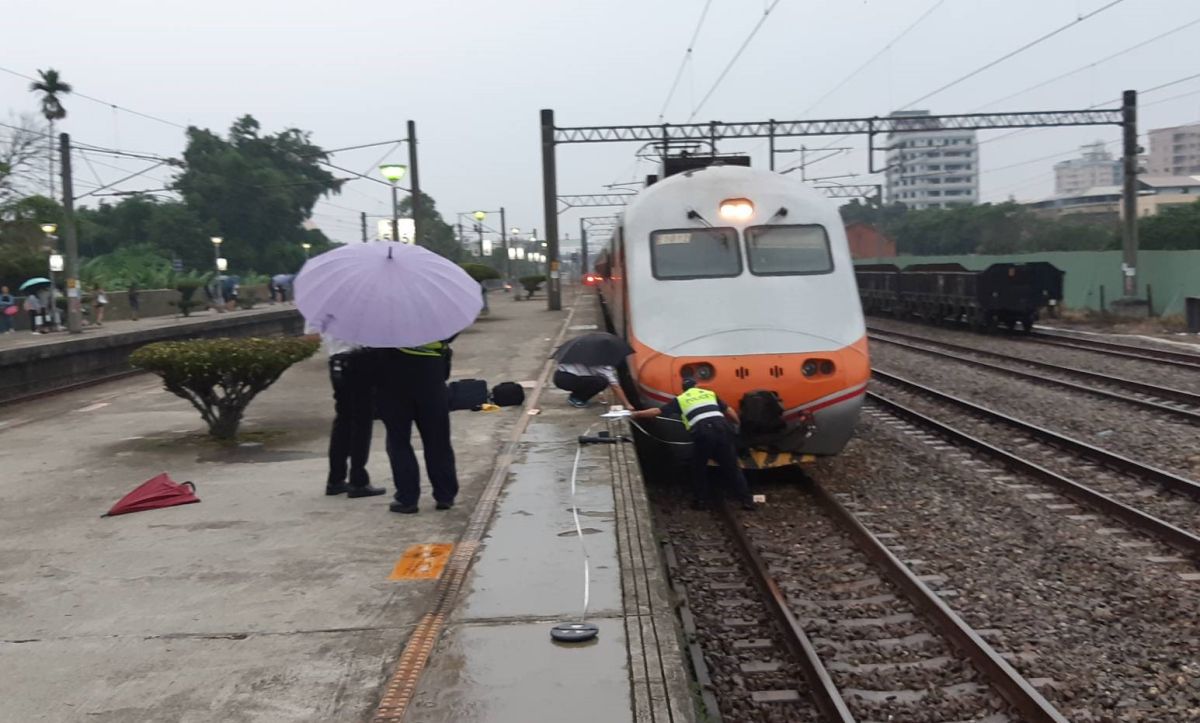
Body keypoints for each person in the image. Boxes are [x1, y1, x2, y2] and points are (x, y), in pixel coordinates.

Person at [631, 378, 755, 511]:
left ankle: (701, 501)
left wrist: (636, 414)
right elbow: (729, 411)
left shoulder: (681, 399)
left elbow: (656, 412)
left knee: (698, 468)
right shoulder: (709, 394)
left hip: (704, 433)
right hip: (723, 430)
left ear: (683, 389)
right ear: (696, 386)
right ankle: (747, 500)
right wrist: (737, 426)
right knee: (732, 467)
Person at [374, 341, 459, 514]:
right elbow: (450, 334)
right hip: (431, 375)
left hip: (392, 379)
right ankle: (445, 495)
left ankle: (407, 498)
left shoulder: (381, 318)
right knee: (438, 439)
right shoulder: (432, 315)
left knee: (398, 441)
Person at [305, 326, 385, 499]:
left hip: (336, 360)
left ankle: (336, 478)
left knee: (343, 419)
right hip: (359, 359)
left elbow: (311, 334)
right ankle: (358, 479)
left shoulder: (325, 302)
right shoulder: (359, 304)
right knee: (362, 420)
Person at [554, 362, 633, 409]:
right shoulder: (603, 365)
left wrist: (600, 393)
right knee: (602, 382)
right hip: (568, 379)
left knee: (592, 381)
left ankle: (576, 395)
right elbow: (615, 386)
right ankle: (576, 398)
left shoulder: (584, 355)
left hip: (559, 375)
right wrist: (628, 404)